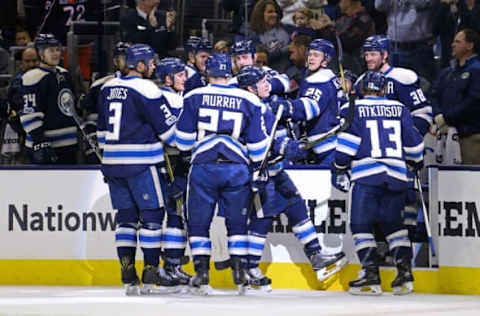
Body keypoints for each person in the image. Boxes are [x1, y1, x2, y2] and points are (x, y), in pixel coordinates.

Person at [237, 65, 347, 291]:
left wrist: (288, 145)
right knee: (263, 218)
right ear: (250, 88)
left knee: (295, 204)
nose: (267, 85)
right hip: (257, 173)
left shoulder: (264, 104)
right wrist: (286, 147)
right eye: (261, 83)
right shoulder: (247, 108)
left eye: (267, 81)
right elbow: (259, 144)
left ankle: (316, 255)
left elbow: (274, 138)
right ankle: (249, 269)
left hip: (275, 170)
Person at [175, 53, 269, 295]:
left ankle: (202, 274)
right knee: (237, 223)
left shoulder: (194, 96)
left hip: (204, 166)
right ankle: (239, 274)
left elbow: (183, 142)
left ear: (208, 73)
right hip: (236, 167)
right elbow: (259, 149)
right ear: (230, 73)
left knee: (198, 223)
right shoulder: (249, 99)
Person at [331, 70, 424, 295]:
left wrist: (339, 167)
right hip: (397, 176)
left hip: (367, 175)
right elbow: (414, 145)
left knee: (361, 225)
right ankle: (404, 274)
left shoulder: (354, 109)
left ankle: (370, 275)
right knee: (394, 225)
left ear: (363, 89)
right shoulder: (400, 108)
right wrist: (416, 162)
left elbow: (347, 145)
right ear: (383, 90)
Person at [97, 43, 179, 296]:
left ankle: (127, 272)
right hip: (142, 161)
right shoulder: (146, 88)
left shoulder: (107, 87)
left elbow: (100, 132)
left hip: (111, 162)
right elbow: (169, 133)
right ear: (139, 64)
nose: (153, 65)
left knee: (126, 219)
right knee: (152, 217)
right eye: (150, 62)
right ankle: (151, 271)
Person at [354, 35, 433, 237]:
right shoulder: (362, 81)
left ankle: (407, 242)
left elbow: (423, 112)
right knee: (374, 206)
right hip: (373, 154)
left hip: (400, 152)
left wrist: (408, 141)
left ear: (385, 54)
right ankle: (383, 246)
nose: (368, 58)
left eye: (373, 54)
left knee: (405, 200)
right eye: (366, 54)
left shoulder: (403, 77)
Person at [270, 39, 345, 165]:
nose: (311, 58)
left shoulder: (320, 80)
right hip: (333, 143)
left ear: (326, 60)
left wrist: (286, 107)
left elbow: (309, 108)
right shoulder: (331, 78)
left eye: (316, 55)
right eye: (310, 54)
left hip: (327, 146)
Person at [154, 57, 193, 285]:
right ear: (167, 78)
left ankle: (172, 264)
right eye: (179, 75)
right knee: (175, 214)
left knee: (176, 214)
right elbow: (172, 137)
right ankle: (171, 265)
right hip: (171, 163)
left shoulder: (174, 97)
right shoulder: (168, 99)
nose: (184, 79)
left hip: (175, 163)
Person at [19, 34, 78, 164]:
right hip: (47, 147)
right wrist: (40, 141)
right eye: (51, 50)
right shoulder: (32, 77)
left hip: (69, 145)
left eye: (57, 49)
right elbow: (29, 115)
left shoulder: (64, 74)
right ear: (40, 54)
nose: (56, 53)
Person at [431, 28, 480, 164]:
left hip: (469, 137)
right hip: (445, 135)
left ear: (470, 46)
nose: (453, 44)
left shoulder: (477, 71)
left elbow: (473, 102)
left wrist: (446, 117)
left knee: (470, 181)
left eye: (458, 42)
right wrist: (438, 115)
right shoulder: (447, 72)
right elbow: (434, 94)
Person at [80, 42, 131, 164]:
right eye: (124, 58)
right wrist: (93, 140)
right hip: (108, 148)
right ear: (115, 62)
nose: (129, 62)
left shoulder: (145, 87)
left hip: (133, 150)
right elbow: (90, 118)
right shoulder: (100, 86)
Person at [375, 0, 437, 82]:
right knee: (394, 85)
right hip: (395, 47)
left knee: (423, 86)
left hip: (419, 48)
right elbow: (379, 6)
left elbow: (423, 3)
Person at [247, 0, 292, 72]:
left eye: (275, 12)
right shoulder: (254, 36)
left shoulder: (285, 29)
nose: (275, 15)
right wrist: (286, 49)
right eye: (270, 12)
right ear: (261, 14)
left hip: (291, 72)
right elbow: (264, 57)